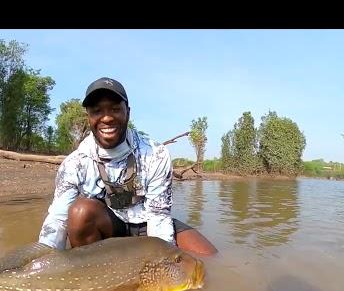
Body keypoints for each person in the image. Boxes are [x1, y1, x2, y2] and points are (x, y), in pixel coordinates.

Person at [38, 77, 217, 256]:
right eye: (97, 111)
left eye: (115, 109)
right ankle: (98, 274)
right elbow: (57, 221)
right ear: (89, 117)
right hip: (108, 226)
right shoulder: (74, 164)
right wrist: (42, 264)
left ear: (128, 113)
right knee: (79, 212)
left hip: (147, 222)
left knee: (206, 259)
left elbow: (158, 216)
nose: (106, 118)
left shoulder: (156, 154)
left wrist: (161, 261)